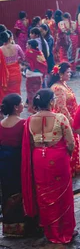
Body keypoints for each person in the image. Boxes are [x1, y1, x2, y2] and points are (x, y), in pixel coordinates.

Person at [22, 89, 76, 243]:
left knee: (44, 194)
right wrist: (67, 155)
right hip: (58, 158)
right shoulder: (60, 118)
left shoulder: (29, 121)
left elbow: (31, 144)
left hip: (39, 159)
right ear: (51, 102)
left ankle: (51, 231)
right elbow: (70, 143)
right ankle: (65, 230)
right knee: (63, 194)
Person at [0, 94, 28, 237]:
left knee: (7, 193)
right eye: (22, 102)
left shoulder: (1, 124)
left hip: (4, 165)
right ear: (17, 107)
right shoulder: (23, 123)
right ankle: (23, 225)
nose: (24, 104)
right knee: (21, 191)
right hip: (19, 163)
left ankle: (9, 226)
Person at [49, 62, 80, 176]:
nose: (70, 74)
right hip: (66, 120)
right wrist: (70, 121)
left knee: (74, 142)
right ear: (60, 74)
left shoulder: (63, 84)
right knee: (69, 142)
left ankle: (75, 166)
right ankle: (70, 168)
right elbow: (61, 108)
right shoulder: (58, 88)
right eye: (68, 72)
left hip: (72, 117)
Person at [0, 31, 24, 98]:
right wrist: (17, 59)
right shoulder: (17, 47)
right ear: (10, 38)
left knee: (5, 94)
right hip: (16, 73)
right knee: (16, 92)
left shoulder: (0, 49)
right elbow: (23, 57)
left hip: (5, 75)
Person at [24, 40, 47, 107]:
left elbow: (30, 64)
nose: (26, 46)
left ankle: (31, 106)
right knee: (37, 91)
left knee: (30, 92)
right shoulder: (40, 53)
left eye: (27, 44)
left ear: (30, 45)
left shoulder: (29, 52)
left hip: (31, 75)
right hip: (39, 75)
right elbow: (43, 64)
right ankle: (37, 105)